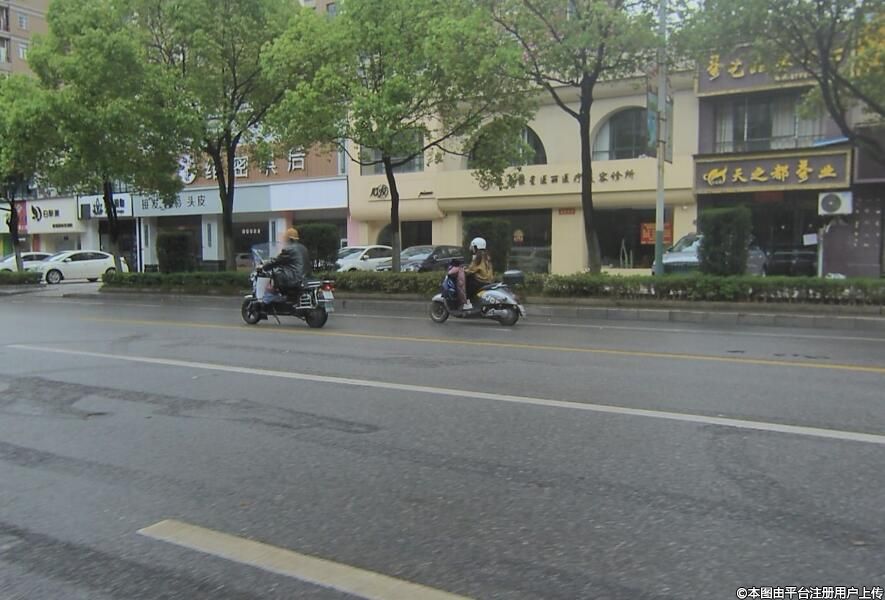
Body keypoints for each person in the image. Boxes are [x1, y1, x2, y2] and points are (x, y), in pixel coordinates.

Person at [262, 227, 311, 300]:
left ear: (289, 239)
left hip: (294, 279)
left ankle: (274, 297)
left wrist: (264, 266)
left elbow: (276, 261)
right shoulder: (303, 248)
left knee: (276, 273)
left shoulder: (289, 249)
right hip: (305, 278)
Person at [459, 237, 493, 311]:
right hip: (488, 280)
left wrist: (463, 270)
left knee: (467, 284)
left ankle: (467, 304)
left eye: (474, 247)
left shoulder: (478, 257)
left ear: (477, 246)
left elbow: (471, 269)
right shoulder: (486, 255)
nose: (472, 249)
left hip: (481, 280)